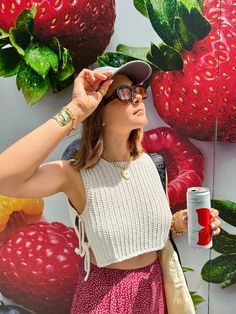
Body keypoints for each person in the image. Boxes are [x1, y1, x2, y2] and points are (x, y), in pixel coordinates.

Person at [0, 60, 220, 314]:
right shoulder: (74, 174)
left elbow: (146, 230)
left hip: (154, 293)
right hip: (106, 300)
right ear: (99, 114)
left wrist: (180, 222)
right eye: (125, 93)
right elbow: (5, 178)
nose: (138, 98)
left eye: (138, 90)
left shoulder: (154, 164)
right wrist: (76, 109)